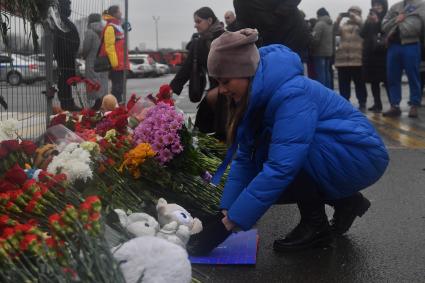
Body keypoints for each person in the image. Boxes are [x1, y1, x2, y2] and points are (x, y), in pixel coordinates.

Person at [188, 29, 389, 255]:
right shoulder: (253, 97)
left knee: (281, 157)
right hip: (336, 155)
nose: (222, 90)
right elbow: (244, 159)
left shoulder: (292, 93)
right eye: (217, 82)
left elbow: (282, 167)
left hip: (361, 155)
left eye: (225, 81)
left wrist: (228, 226)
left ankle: (316, 228)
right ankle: (346, 202)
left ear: (245, 71)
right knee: (264, 159)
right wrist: (225, 212)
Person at [170, 7, 227, 141]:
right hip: (215, 93)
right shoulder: (199, 44)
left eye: (198, 21)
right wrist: (170, 90)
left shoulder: (227, 38)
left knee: (225, 128)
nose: (195, 25)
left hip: (233, 91)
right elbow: (186, 68)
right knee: (201, 128)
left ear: (209, 20)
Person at [382, 0, 425, 118]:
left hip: (412, 43)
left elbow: (421, 27)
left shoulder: (421, 6)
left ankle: (414, 105)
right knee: (392, 77)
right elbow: (384, 25)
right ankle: (394, 105)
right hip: (394, 45)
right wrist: (396, 20)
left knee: (413, 76)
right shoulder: (395, 7)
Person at [233, 0, 310, 62]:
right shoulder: (239, 2)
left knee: (294, 70)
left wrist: (277, 15)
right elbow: (242, 22)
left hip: (292, 32)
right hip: (267, 38)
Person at [334, 6, 368, 111]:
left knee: (360, 83)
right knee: (343, 83)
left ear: (359, 13)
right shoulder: (344, 25)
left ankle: (362, 102)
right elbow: (334, 31)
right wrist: (338, 19)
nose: (351, 14)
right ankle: (345, 102)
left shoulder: (362, 24)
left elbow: (364, 29)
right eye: (350, 12)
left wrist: (355, 18)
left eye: (354, 12)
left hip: (357, 59)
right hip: (342, 60)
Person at [360, 0, 389, 113]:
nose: (376, 7)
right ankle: (377, 104)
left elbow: (385, 31)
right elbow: (361, 34)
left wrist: (377, 21)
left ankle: (393, 104)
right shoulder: (369, 20)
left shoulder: (387, 17)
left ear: (384, 6)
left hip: (383, 54)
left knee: (387, 81)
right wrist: (367, 21)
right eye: (374, 5)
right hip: (370, 54)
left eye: (379, 5)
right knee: (373, 81)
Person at [53, 0, 81, 111]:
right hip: (64, 55)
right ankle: (66, 103)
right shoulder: (59, 20)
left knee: (67, 78)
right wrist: (69, 49)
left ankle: (68, 102)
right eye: (68, 5)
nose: (70, 8)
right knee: (65, 78)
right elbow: (61, 39)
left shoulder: (64, 20)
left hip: (68, 55)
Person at [100, 5, 128, 104]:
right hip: (116, 63)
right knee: (117, 88)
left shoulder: (117, 26)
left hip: (121, 62)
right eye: (119, 11)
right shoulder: (110, 27)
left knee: (119, 88)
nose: (121, 13)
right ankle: (113, 108)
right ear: (114, 14)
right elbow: (109, 46)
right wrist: (114, 63)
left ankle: (116, 107)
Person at [81, 13, 108, 110]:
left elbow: (86, 48)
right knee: (101, 82)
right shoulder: (103, 31)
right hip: (102, 62)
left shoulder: (89, 32)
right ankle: (102, 102)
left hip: (92, 61)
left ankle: (95, 105)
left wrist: (83, 55)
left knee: (92, 82)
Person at [310, 8, 334, 89]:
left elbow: (315, 39)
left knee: (320, 73)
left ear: (319, 15)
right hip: (328, 52)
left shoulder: (319, 24)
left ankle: (322, 90)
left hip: (319, 52)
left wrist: (312, 47)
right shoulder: (330, 24)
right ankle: (328, 90)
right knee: (327, 73)